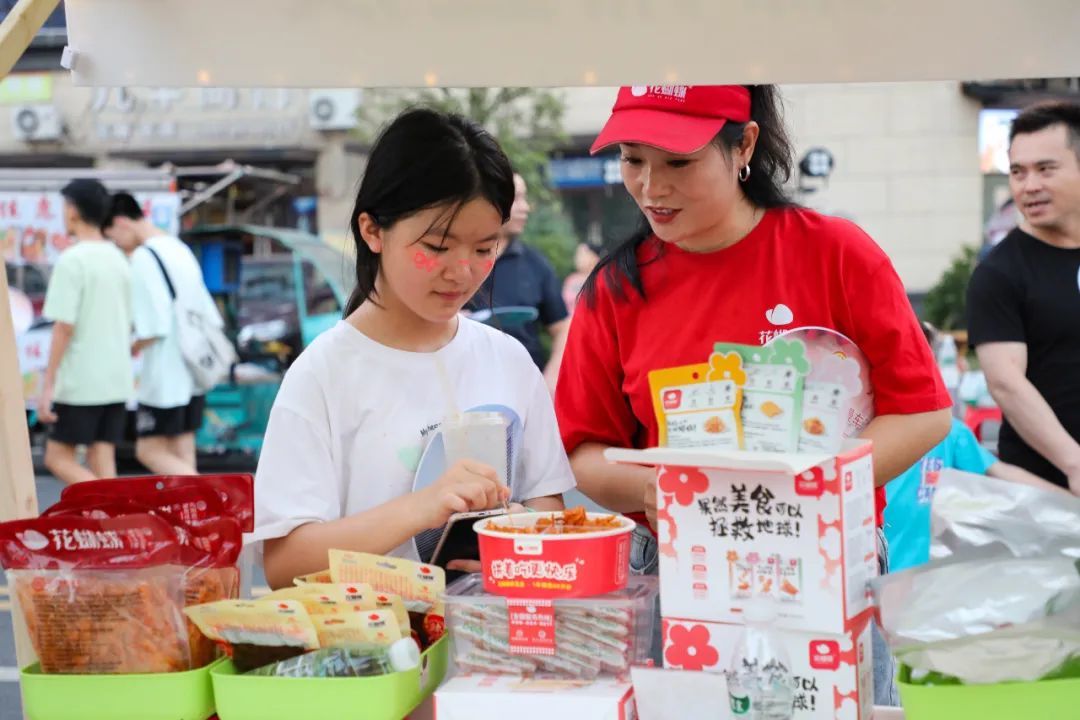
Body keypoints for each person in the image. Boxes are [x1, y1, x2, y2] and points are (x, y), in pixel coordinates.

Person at [554, 84, 952, 705]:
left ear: (743, 145)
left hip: (823, 559)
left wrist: (806, 490)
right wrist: (659, 492)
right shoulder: (616, 290)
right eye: (633, 160)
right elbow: (582, 451)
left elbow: (923, 413)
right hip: (680, 569)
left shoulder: (835, 253)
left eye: (678, 162)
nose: (651, 187)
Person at [250, 109, 575, 590]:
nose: (462, 272)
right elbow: (285, 565)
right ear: (372, 231)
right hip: (375, 637)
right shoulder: (323, 374)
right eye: (438, 247)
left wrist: (514, 534)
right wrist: (423, 506)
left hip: (497, 635)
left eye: (484, 249)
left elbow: (548, 507)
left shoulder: (507, 360)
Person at [884, 322, 1069, 573]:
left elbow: (1001, 474)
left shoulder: (947, 431)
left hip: (922, 583)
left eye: (922, 353)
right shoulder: (862, 432)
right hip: (866, 580)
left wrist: (1067, 500)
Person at [968, 101, 1080, 497]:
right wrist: (1074, 463)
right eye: (1018, 172)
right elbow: (1006, 383)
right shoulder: (999, 273)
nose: (1029, 185)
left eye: (1045, 169)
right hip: (1046, 494)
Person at [102, 192, 221, 475]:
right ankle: (198, 503)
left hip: (165, 377)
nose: (117, 245)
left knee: (149, 450)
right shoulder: (178, 248)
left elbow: (153, 327)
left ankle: (210, 495)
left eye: (113, 237)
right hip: (193, 370)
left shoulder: (144, 257)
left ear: (121, 222)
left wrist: (131, 346)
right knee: (182, 451)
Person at [38, 179, 134, 485]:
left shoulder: (72, 260)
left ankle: (108, 504)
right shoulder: (119, 258)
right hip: (116, 380)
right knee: (102, 456)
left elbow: (64, 327)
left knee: (57, 457)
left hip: (81, 382)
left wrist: (48, 385)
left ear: (73, 211)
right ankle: (115, 514)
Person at [467, 173, 570, 393]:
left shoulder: (535, 264)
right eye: (517, 199)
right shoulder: (457, 262)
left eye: (525, 198)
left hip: (524, 390)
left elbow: (562, 327)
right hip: (465, 388)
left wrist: (552, 377)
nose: (525, 208)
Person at [562, 241, 601, 315]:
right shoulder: (571, 279)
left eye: (582, 255)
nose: (577, 258)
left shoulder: (601, 280)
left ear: (595, 257)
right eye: (577, 255)